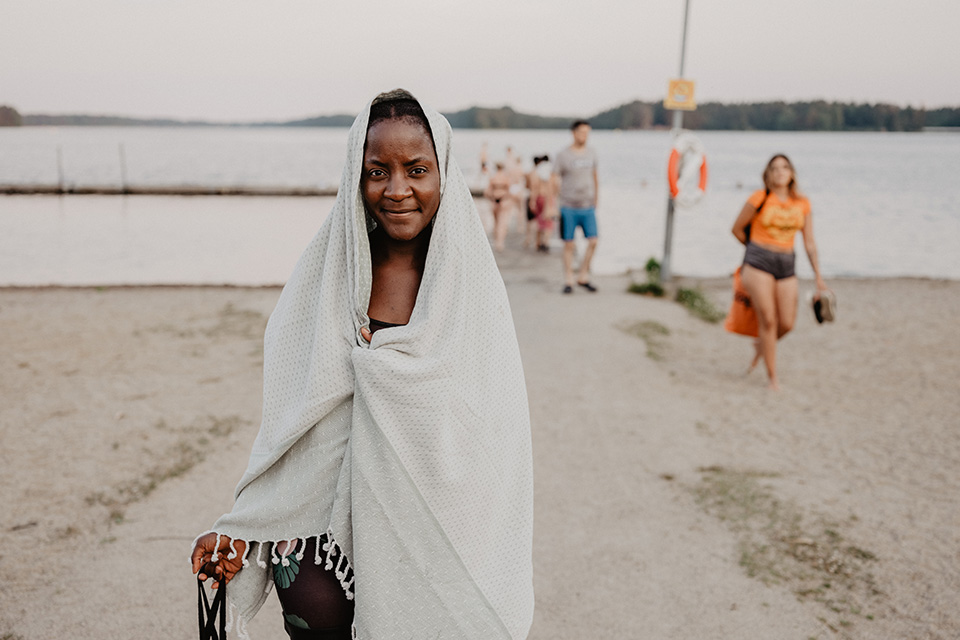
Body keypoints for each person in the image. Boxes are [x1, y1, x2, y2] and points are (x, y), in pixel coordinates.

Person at [191, 89, 534, 640]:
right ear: (356, 174)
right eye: (378, 171)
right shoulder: (326, 278)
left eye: (417, 169)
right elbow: (291, 432)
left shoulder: (471, 293)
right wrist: (241, 530)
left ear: (445, 173)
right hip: (316, 542)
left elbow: (491, 444)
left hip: (429, 543)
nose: (398, 190)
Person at [731, 154, 828, 390]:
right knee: (769, 319)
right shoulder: (759, 198)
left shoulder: (802, 203)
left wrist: (819, 278)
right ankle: (772, 378)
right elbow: (736, 229)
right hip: (758, 262)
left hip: (786, 263)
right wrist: (755, 250)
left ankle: (761, 345)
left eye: (785, 167)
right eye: (774, 168)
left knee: (786, 322)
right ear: (768, 174)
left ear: (792, 173)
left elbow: (810, 243)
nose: (780, 172)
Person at [554, 120, 599, 293]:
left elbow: (595, 176)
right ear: (573, 133)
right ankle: (569, 280)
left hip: (587, 205)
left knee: (593, 241)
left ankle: (583, 275)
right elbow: (554, 179)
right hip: (568, 206)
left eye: (587, 133)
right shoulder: (563, 155)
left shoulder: (592, 153)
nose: (584, 136)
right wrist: (552, 205)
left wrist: (597, 198)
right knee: (569, 244)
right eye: (581, 132)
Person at [484, 162, 513, 252]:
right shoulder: (506, 178)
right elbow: (509, 191)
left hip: (494, 199)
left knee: (496, 222)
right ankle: (500, 242)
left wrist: (491, 199)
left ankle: (497, 241)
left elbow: (487, 191)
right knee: (502, 222)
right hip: (503, 199)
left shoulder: (493, 177)